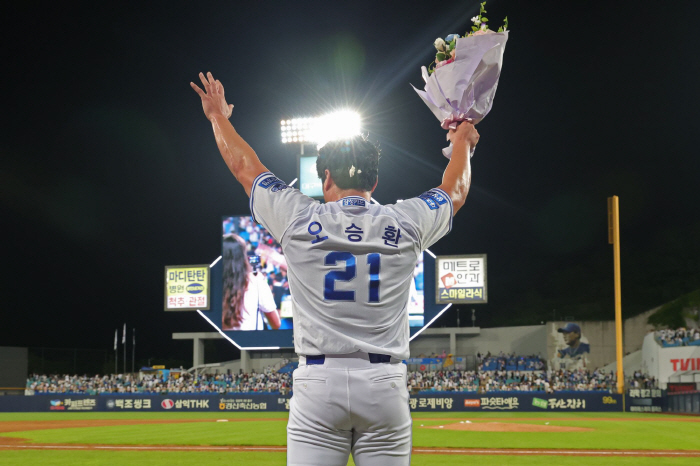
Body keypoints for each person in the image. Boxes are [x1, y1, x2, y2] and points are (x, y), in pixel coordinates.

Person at [191, 71, 479, 466]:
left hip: (318, 384)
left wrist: (217, 118)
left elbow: (245, 167)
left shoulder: (295, 216)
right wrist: (462, 141)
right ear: (375, 181)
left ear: (324, 177)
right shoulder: (406, 221)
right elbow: (455, 191)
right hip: (384, 384)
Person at [221, 234, 281, 331]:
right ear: (243, 256)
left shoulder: (211, 282)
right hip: (251, 343)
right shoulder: (256, 280)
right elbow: (276, 324)